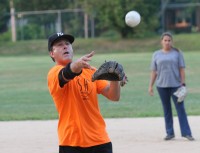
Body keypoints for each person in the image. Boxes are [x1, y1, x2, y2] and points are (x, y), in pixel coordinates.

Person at [47, 32, 125, 153]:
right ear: (52, 53)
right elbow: (66, 74)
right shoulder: (54, 73)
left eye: (67, 44)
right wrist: (77, 65)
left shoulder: (90, 71)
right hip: (71, 143)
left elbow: (114, 96)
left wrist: (114, 80)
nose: (65, 46)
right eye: (59, 44)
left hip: (100, 140)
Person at [148, 32, 194, 141]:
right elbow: (154, 72)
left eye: (169, 40)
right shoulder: (156, 54)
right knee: (167, 109)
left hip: (176, 86)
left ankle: (187, 133)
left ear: (171, 41)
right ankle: (170, 132)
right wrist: (150, 86)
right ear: (161, 42)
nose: (167, 42)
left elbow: (181, 69)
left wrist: (183, 84)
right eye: (165, 40)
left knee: (180, 109)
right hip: (161, 86)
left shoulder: (177, 53)